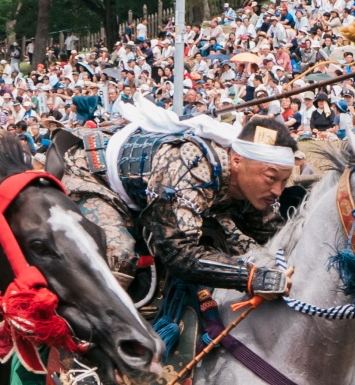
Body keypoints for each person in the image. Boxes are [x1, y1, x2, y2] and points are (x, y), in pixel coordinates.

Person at [60, 113, 293, 299]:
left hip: (198, 200)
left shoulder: (255, 185)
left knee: (247, 248)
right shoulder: (191, 162)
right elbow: (177, 251)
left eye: (284, 181)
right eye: (271, 178)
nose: (277, 191)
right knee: (120, 257)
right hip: (95, 177)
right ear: (237, 161)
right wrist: (251, 278)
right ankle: (92, 342)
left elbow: (272, 233)